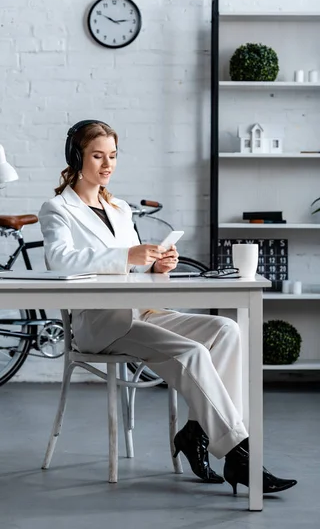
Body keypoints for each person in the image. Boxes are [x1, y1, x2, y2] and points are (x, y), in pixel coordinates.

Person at [39, 119, 297, 495]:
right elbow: (60, 260)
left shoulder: (120, 208)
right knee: (192, 353)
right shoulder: (58, 208)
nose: (107, 164)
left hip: (142, 312)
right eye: (97, 156)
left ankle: (195, 433)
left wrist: (156, 264)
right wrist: (129, 254)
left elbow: (132, 265)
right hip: (103, 324)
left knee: (226, 331)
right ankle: (241, 457)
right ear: (76, 157)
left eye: (112, 156)